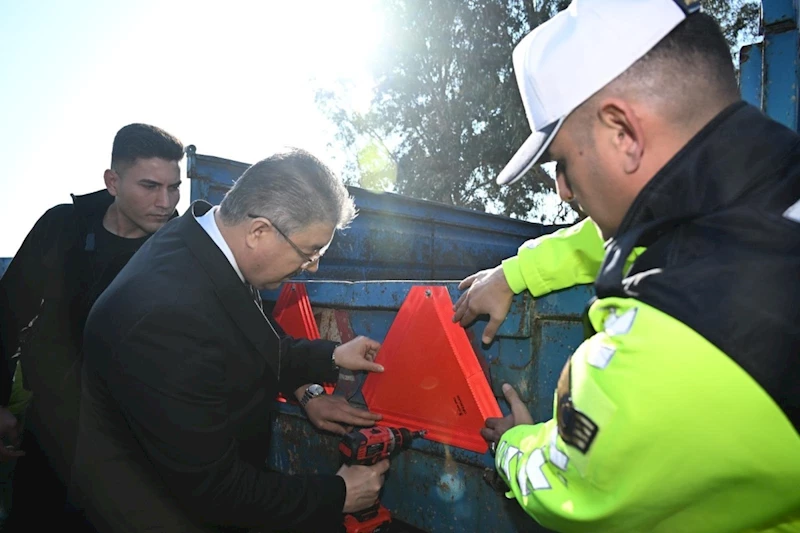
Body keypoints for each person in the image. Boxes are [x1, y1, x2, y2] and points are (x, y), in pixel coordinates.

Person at [454, 1, 800, 532]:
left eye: (562, 164)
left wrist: (512, 446)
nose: (564, 191)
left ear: (622, 132)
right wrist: (514, 274)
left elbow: (565, 486)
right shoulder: (767, 187)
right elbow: (646, 227)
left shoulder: (678, 338)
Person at [70, 148, 390, 532]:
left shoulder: (207, 243)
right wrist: (339, 494)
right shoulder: (165, 316)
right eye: (309, 252)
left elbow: (247, 340)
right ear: (259, 232)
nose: (313, 266)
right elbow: (213, 491)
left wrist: (332, 358)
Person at [0, 123, 184, 530]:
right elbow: (8, 314)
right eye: (151, 186)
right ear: (112, 181)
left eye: (174, 188)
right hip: (48, 430)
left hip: (130, 447)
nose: (166, 201)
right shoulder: (63, 227)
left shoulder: (178, 252)